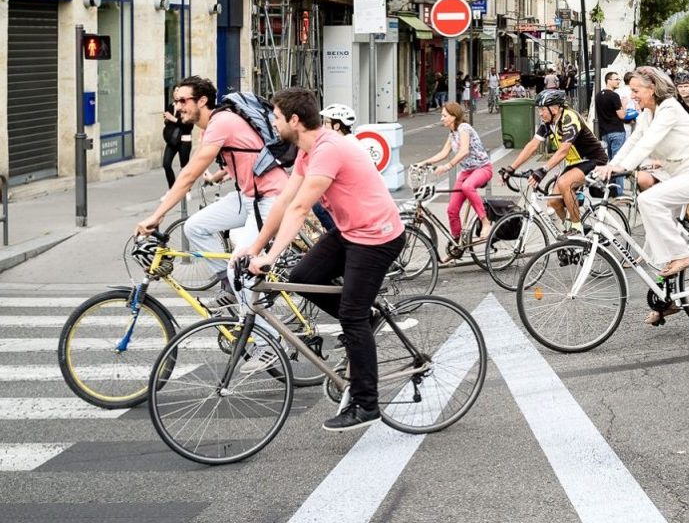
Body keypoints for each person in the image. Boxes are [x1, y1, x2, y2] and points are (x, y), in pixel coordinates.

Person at [238, 87, 406, 432]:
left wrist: (270, 256)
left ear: (294, 120)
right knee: (303, 277)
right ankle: (368, 318)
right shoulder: (307, 149)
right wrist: (254, 247)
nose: (273, 121)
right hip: (349, 231)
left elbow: (300, 208)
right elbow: (285, 200)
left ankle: (366, 403)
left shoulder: (328, 149)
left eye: (277, 116)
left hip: (376, 236)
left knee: (351, 316)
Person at [596, 67, 689, 325]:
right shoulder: (647, 114)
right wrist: (611, 165)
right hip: (676, 175)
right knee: (656, 243)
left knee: (648, 200)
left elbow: (647, 144)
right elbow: (632, 142)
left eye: (636, 91)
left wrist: (624, 167)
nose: (632, 96)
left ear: (652, 88)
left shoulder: (669, 109)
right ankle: (667, 301)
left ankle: (684, 255)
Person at [135, 76, 288, 281]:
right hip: (248, 196)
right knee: (194, 227)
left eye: (183, 101)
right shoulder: (210, 128)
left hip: (269, 198)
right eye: (176, 101)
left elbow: (189, 174)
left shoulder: (221, 122)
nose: (177, 106)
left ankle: (245, 297)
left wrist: (157, 215)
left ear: (202, 101)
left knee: (242, 269)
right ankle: (228, 282)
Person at [500, 90, 608, 233]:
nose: (540, 113)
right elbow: (532, 145)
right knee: (553, 201)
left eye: (543, 109)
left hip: (594, 159)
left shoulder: (569, 118)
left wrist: (543, 170)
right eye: (539, 109)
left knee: (565, 183)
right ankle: (572, 228)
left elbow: (563, 150)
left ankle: (577, 228)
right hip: (575, 163)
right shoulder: (549, 123)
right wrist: (511, 168)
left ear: (555, 108)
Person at [417, 102, 494, 249]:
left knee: (467, 186)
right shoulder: (452, 133)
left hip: (482, 168)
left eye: (444, 115)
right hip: (467, 171)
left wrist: (447, 166)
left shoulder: (464, 128)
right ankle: (457, 244)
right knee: (452, 210)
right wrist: (423, 163)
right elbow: (443, 153)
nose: (442, 118)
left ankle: (485, 221)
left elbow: (464, 151)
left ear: (453, 117)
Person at [313, 103, 357, 231]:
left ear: (336, 126)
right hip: (348, 197)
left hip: (351, 201)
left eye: (326, 123)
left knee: (318, 206)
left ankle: (341, 240)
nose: (323, 126)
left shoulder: (344, 145)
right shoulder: (349, 140)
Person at [595, 72, 628, 193]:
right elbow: (622, 115)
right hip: (617, 131)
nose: (618, 81)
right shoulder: (614, 96)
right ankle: (619, 192)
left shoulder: (598, 95)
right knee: (617, 162)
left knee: (610, 162)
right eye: (616, 79)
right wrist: (624, 105)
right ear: (608, 81)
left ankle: (612, 190)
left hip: (605, 133)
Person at [161, 86, 193, 189]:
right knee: (166, 164)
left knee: (184, 167)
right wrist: (167, 119)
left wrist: (173, 119)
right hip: (172, 140)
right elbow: (169, 124)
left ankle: (186, 190)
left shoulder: (187, 107)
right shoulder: (171, 106)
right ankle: (172, 189)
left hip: (184, 140)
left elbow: (188, 126)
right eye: (175, 91)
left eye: (179, 91)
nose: (177, 93)